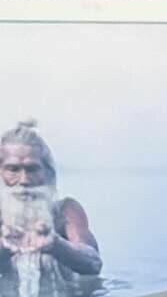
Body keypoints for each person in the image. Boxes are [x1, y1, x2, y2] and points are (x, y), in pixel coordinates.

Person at [0, 120, 103, 281]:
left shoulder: (65, 211)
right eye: (13, 169)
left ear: (47, 172)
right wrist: (4, 248)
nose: (24, 180)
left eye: (32, 169)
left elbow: (94, 262)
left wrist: (56, 244)